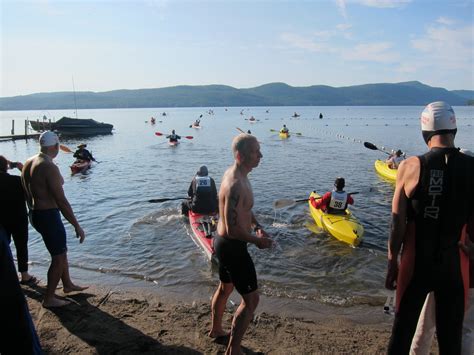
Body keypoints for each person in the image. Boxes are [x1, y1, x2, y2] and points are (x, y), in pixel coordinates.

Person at [385, 101, 474, 354]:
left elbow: (396, 222)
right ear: (454, 130)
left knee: (401, 336)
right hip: (454, 265)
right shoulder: (472, 167)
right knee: (451, 342)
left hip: (416, 264)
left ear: (425, 133)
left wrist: (393, 261)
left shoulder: (410, 166)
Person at [208, 133, 273, 354]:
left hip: (224, 243)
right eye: (255, 152)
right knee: (252, 300)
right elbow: (232, 228)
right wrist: (258, 242)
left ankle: (216, 329)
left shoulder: (238, 173)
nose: (260, 155)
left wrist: (256, 225)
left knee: (225, 287)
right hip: (232, 246)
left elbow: (244, 211)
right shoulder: (236, 184)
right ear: (240, 155)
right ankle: (233, 350)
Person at [410, 148, 474, 355]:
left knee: (425, 328)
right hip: (464, 276)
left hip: (445, 268)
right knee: (467, 331)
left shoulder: (444, 196)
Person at [22, 131, 88, 308]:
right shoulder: (48, 166)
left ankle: (67, 285)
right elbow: (61, 201)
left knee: (61, 251)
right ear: (56, 146)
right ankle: (49, 298)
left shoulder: (30, 161)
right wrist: (77, 226)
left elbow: (29, 190)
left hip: (34, 214)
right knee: (58, 257)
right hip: (48, 215)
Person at [0, 156, 37, 284]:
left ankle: (6, 273)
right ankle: (25, 275)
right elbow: (32, 184)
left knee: (4, 246)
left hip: (1, 221)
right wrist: (21, 168)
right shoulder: (17, 181)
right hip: (18, 218)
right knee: (21, 246)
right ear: (6, 167)